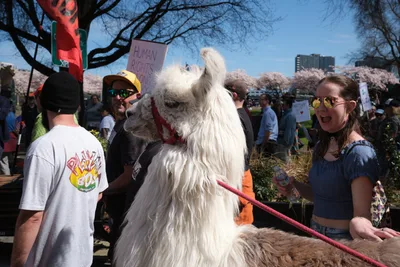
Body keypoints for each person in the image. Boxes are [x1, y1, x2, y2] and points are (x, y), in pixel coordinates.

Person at [274, 75, 400, 241]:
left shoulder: (359, 152)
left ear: (350, 106)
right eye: (317, 101)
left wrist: (360, 222)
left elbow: (362, 216)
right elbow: (320, 195)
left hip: (344, 240)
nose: (320, 108)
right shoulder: (321, 146)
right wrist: (293, 185)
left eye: (330, 101)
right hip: (316, 233)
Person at [11, 72, 108, 267]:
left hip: (49, 259)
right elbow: (98, 192)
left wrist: (17, 263)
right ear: (77, 105)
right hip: (81, 256)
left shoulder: (43, 147)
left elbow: (32, 216)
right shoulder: (93, 142)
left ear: (43, 103)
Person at [102, 70, 147, 260]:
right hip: (117, 213)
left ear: (137, 95)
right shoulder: (121, 123)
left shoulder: (131, 128)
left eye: (125, 93)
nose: (118, 98)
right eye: (114, 93)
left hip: (126, 215)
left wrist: (101, 190)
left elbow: (130, 176)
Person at [225, 79, 255, 225]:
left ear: (234, 95)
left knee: (238, 229)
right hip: (241, 176)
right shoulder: (243, 115)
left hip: (237, 179)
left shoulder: (236, 118)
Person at [276, 96, 297, 162]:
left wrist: (286, 142)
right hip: (281, 141)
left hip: (284, 142)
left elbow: (289, 130)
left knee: (285, 160)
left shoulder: (290, 115)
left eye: (283, 105)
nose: (282, 106)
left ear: (288, 105)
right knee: (282, 160)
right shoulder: (286, 114)